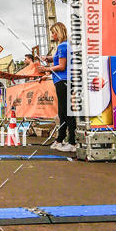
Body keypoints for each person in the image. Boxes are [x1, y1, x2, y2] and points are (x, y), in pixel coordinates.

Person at [38, 22, 76, 151]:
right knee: (63, 111)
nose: (52, 35)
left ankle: (71, 142)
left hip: (63, 80)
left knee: (66, 111)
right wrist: (50, 59)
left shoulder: (62, 46)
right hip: (63, 80)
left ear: (58, 33)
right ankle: (61, 139)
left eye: (54, 32)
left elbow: (61, 66)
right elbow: (60, 61)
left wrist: (46, 69)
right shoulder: (66, 46)